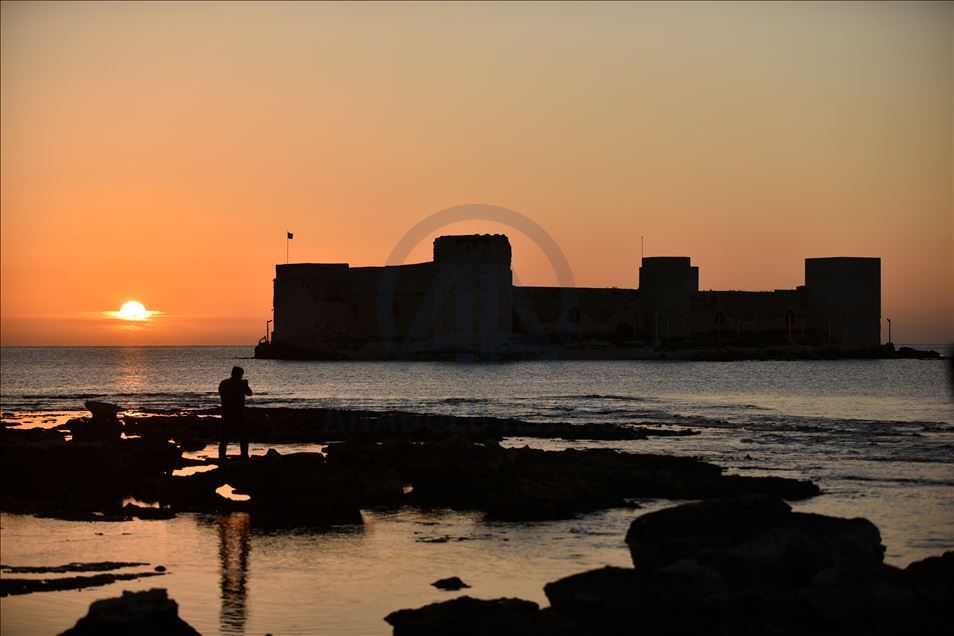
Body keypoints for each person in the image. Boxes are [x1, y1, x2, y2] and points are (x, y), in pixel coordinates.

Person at [218, 366, 253, 461]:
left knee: (225, 438)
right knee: (243, 437)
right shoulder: (240, 384)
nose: (241, 376)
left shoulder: (224, 383)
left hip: (227, 413)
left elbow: (221, 394)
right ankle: (244, 457)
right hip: (238, 414)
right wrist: (245, 385)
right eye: (241, 375)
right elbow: (250, 393)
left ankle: (222, 458)